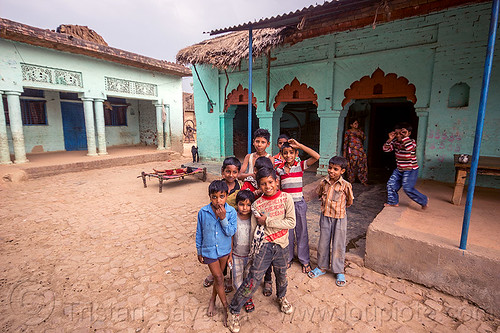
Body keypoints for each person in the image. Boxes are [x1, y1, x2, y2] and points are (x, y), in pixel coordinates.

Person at [227, 168, 296, 333]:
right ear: (258, 185)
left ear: (277, 181)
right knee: (253, 279)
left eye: (270, 182)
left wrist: (268, 221)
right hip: (264, 245)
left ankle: (282, 297)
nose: (268, 186)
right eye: (263, 184)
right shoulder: (257, 204)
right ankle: (234, 309)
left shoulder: (287, 198)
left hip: (282, 245)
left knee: (282, 275)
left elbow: (291, 222)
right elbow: (253, 227)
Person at [196, 180, 237, 325]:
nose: (218, 200)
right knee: (219, 277)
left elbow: (231, 232)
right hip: (208, 251)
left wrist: (223, 218)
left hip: (224, 250)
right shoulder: (203, 212)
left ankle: (213, 298)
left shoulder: (231, 212)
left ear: (226, 196)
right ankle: (226, 307)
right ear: (209, 197)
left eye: (221, 196)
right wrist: (199, 250)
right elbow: (199, 232)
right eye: (214, 197)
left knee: (218, 277)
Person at [308, 156, 353, 288]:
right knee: (323, 242)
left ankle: (338, 270)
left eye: (335, 169)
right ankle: (321, 267)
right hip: (325, 216)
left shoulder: (346, 185)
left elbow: (349, 201)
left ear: (342, 171)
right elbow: (319, 193)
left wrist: (340, 208)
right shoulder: (323, 182)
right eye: (330, 168)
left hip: (339, 218)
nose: (331, 171)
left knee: (338, 244)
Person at [276, 139, 320, 274]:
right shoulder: (279, 170)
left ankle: (304, 259)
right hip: (286, 206)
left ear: (296, 153)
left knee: (302, 232)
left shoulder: (300, 166)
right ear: (282, 155)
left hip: (299, 204)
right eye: (285, 153)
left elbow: (316, 157)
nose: (288, 155)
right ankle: (287, 258)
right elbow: (278, 187)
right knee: (287, 233)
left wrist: (300, 145)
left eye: (291, 152)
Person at [203, 157, 242, 291]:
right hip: (218, 224)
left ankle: (231, 277)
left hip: (233, 223)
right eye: (228, 172)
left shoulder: (240, 187)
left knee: (233, 251)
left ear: (238, 173)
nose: (231, 175)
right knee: (219, 248)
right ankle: (218, 274)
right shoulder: (217, 187)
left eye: (234, 172)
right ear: (222, 171)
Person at [383, 123, 428, 209]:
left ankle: (423, 200)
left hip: (411, 170)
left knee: (407, 188)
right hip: (399, 169)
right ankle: (393, 202)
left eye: (402, 133)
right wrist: (390, 139)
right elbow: (386, 149)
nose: (399, 135)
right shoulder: (395, 142)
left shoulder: (411, 142)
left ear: (409, 133)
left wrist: (405, 137)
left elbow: (409, 148)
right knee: (390, 184)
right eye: (397, 133)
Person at [232, 190, 257, 313]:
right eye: (242, 204)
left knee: (248, 278)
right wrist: (229, 255)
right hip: (236, 255)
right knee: (237, 279)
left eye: (248, 205)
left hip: (250, 255)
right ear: (237, 204)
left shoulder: (254, 219)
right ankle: (241, 297)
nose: (245, 208)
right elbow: (230, 236)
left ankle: (247, 298)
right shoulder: (233, 217)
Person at [343, 119, 368, 185]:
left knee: (362, 166)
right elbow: (345, 143)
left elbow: (364, 138)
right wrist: (345, 153)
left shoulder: (360, 132)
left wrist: (360, 134)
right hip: (352, 152)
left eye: (357, 123)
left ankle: (363, 180)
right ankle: (351, 180)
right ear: (351, 125)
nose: (356, 125)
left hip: (360, 151)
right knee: (351, 166)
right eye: (355, 123)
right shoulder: (348, 132)